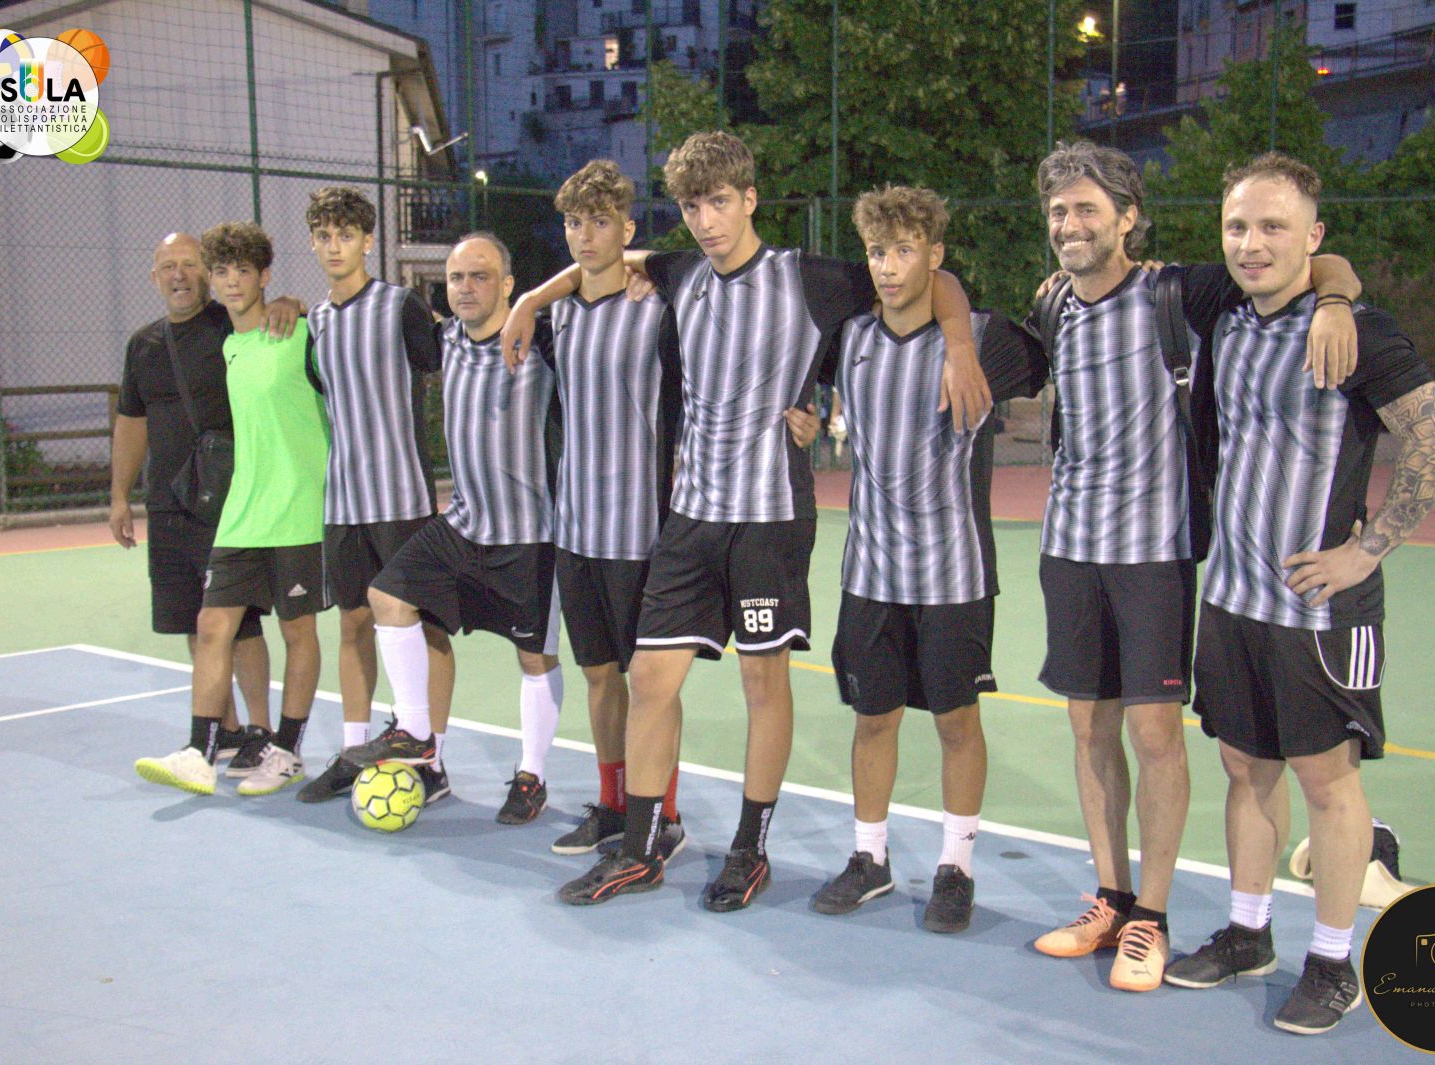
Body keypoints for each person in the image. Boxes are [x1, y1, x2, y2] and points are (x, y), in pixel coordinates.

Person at [501, 130, 993, 910]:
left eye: (719, 202)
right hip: (691, 517)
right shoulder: (680, 273)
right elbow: (605, 262)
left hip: (769, 519)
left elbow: (932, 278)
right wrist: (531, 299)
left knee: (763, 683)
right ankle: (639, 849)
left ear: (750, 199)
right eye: (692, 205)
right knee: (650, 678)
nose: (705, 220)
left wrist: (960, 345)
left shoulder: (809, 278)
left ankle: (748, 850)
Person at [1027, 141, 1361, 993]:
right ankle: (1109, 897)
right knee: (1089, 730)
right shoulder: (1052, 301)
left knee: (1153, 736)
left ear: (1128, 217)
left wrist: (1336, 301)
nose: (1070, 224)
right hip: (1069, 548)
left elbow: (1311, 262)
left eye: (1088, 208)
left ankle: (1152, 915)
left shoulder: (1180, 292)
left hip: (1155, 554)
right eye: (1059, 210)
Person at [1162, 153, 1435, 1035]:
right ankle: (1248, 933)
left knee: (1328, 782)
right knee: (1244, 767)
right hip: (1234, 597)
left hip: (1319, 610)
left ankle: (1333, 962)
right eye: (1237, 226)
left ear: (1314, 236)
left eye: (1274, 227)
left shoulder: (1358, 331)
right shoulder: (1220, 311)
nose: (1251, 244)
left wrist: (1367, 550)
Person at [808, 185, 1047, 934]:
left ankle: (956, 867)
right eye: (877, 251)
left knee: (956, 722)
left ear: (935, 256)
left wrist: (961, 342)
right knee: (872, 719)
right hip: (870, 571)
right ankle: (869, 857)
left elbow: (1033, 344)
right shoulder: (846, 337)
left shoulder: (985, 339)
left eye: (905, 250)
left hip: (954, 574)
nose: (887, 266)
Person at [357, 233, 566, 824]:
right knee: (387, 596)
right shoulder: (444, 339)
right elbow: (369, 308)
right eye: (455, 278)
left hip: (530, 532)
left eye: (480, 276)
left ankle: (531, 775)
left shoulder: (542, 339)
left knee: (535, 659)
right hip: (463, 522)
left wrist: (536, 304)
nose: (466, 288)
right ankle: (416, 734)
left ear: (508, 284)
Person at [134, 222, 330, 795]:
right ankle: (200, 751)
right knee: (211, 623)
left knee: (297, 630)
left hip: (297, 507)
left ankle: (286, 750)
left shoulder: (301, 334)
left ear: (264, 276)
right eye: (221, 271)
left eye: (244, 270)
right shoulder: (229, 345)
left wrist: (296, 304)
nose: (232, 281)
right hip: (243, 510)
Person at [542, 160, 687, 855]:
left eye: (601, 222)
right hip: (575, 528)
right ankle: (612, 802)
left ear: (627, 229)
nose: (585, 235)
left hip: (640, 530)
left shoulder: (659, 309)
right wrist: (528, 300)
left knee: (651, 686)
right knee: (599, 675)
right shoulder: (558, 315)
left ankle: (666, 816)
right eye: (575, 222)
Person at [293, 188, 456, 806]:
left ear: (367, 241)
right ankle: (353, 750)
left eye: (346, 235)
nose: (334, 246)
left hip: (401, 497)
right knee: (353, 623)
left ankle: (432, 759)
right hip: (344, 501)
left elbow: (448, 362)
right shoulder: (316, 322)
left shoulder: (400, 307)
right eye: (324, 236)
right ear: (313, 243)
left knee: (427, 628)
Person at [112, 232, 284, 771]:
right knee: (194, 622)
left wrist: (288, 304)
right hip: (168, 508)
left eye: (189, 264)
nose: (179, 275)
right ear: (155, 277)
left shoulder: (227, 324)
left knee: (241, 622)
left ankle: (261, 730)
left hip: (228, 504)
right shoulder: (143, 345)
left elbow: (272, 319)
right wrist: (119, 496)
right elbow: (131, 422)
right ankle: (225, 731)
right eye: (168, 266)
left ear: (206, 272)